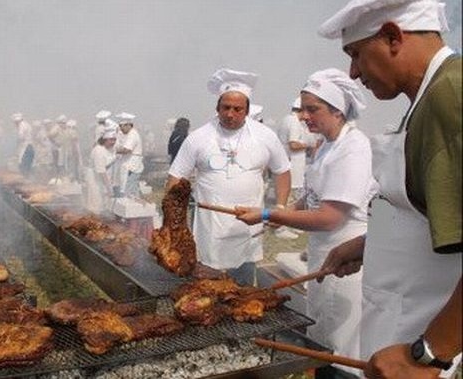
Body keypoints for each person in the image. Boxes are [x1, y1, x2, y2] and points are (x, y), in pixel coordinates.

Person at [317, 0, 462, 377]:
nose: (352, 72)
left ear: (393, 36)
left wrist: (431, 353)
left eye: (356, 54)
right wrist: (370, 244)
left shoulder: (451, 96)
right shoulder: (426, 100)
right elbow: (430, 209)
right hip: (400, 331)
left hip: (422, 351)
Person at [236, 68, 375, 378]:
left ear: (338, 111)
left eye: (313, 109)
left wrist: (272, 214)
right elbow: (312, 199)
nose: (304, 117)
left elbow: (330, 217)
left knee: (343, 349)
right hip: (322, 255)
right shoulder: (326, 145)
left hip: (347, 261)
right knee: (322, 339)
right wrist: (282, 211)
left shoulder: (354, 148)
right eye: (302, 108)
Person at [167, 68, 291, 286]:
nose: (230, 114)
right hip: (209, 225)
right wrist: (172, 222)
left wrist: (279, 207)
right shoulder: (198, 138)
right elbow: (175, 177)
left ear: (247, 110)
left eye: (237, 109)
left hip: (248, 223)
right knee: (205, 281)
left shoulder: (265, 136)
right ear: (217, 107)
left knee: (242, 283)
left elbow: (282, 171)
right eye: (225, 107)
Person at [85, 129, 118, 214]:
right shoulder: (98, 151)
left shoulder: (109, 149)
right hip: (94, 178)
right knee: (96, 201)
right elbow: (101, 171)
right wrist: (109, 188)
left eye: (114, 139)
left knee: (103, 202)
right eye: (111, 140)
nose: (113, 142)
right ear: (105, 140)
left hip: (103, 179)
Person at [114, 112, 144, 198]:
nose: (121, 129)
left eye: (122, 127)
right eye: (120, 127)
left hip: (132, 164)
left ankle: (132, 205)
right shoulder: (126, 134)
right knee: (130, 187)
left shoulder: (133, 134)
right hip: (128, 163)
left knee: (129, 187)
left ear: (128, 125)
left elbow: (126, 150)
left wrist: (114, 151)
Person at [12, 113, 34, 177]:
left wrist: (17, 145)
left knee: (22, 163)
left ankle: (24, 178)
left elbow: (20, 137)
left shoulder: (21, 126)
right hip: (30, 146)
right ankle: (28, 177)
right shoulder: (27, 124)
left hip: (25, 147)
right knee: (28, 164)